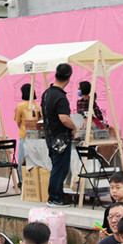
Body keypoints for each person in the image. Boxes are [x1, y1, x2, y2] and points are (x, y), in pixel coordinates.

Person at [41, 63, 76, 206]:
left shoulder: (46, 93)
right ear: (68, 78)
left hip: (49, 136)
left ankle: (57, 196)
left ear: (55, 74)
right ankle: (55, 197)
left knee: (57, 166)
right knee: (60, 168)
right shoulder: (60, 97)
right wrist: (74, 128)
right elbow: (64, 118)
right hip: (60, 138)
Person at [13, 83, 40, 166]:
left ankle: (22, 178)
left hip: (24, 136)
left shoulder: (20, 106)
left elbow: (18, 122)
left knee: (22, 161)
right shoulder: (37, 106)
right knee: (34, 161)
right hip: (35, 137)